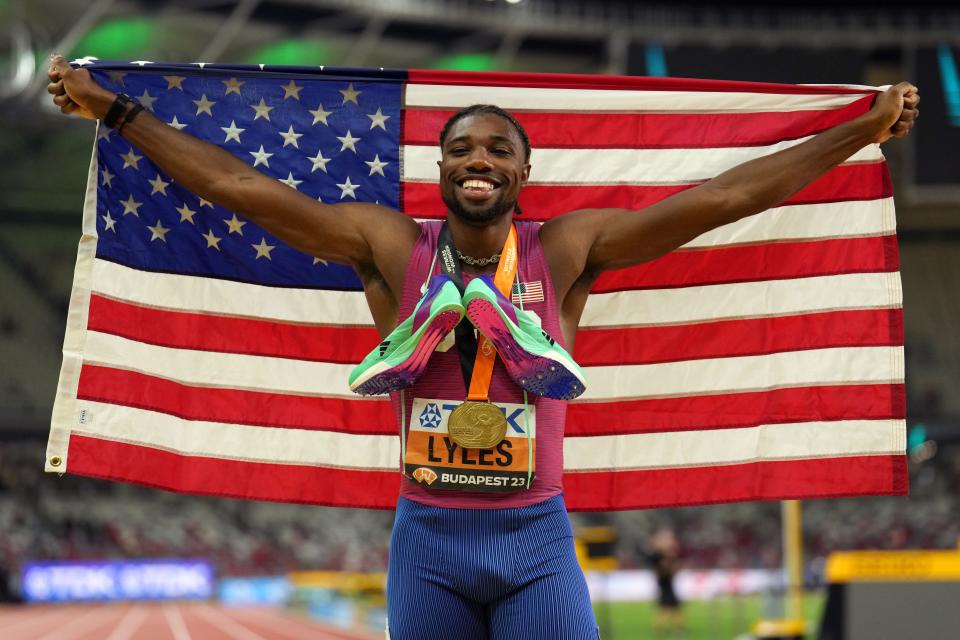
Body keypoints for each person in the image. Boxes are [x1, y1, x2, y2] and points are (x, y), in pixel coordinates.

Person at [46, 54, 918, 640]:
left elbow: (725, 198)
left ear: (523, 174)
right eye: (461, 146)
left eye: (499, 148)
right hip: (427, 537)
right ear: (439, 172)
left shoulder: (567, 248)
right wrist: (118, 111)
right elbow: (243, 189)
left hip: (535, 534)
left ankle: (510, 338)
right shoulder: (391, 245)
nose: (479, 158)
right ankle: (430, 332)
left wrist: (856, 133)